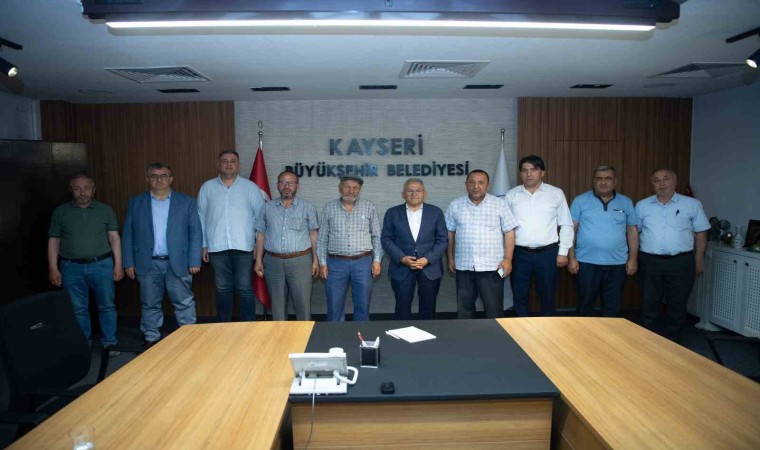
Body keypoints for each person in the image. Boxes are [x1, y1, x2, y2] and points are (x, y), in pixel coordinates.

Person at [122, 163, 202, 347]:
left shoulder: (187, 202)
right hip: (147, 263)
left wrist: (194, 260)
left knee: (184, 302)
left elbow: (195, 233)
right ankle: (151, 338)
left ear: (171, 179)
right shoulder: (136, 202)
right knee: (149, 303)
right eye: (154, 176)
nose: (159, 180)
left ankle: (189, 338)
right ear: (147, 180)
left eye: (164, 175)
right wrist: (128, 262)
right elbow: (128, 234)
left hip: (179, 261)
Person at [47, 173, 123, 352]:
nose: (82, 192)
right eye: (77, 188)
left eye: (87, 188)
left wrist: (118, 264)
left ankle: (110, 343)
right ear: (71, 190)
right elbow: (54, 240)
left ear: (94, 189)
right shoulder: (61, 212)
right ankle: (84, 345)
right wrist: (53, 268)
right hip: (70, 267)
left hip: (102, 265)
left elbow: (114, 238)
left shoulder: (105, 210)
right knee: (78, 309)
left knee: (107, 306)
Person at [636, 168, 709, 341]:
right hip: (650, 261)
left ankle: (673, 342)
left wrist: (699, 260)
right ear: (652, 184)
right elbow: (634, 232)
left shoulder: (692, 204)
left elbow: (701, 233)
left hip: (681, 262)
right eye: (657, 180)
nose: (661, 183)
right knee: (649, 302)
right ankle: (647, 342)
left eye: (666, 179)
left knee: (677, 303)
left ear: (674, 181)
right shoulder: (642, 205)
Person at [198, 151, 265, 322]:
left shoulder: (250, 187)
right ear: (218, 164)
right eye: (224, 161)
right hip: (216, 246)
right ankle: (223, 326)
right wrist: (204, 244)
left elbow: (260, 218)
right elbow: (201, 217)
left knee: (244, 287)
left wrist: (257, 245)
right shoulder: (207, 187)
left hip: (244, 246)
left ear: (238, 165)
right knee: (222, 288)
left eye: (233, 161)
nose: (229, 164)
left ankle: (248, 326)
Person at [505, 155, 573, 317]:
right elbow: (505, 228)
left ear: (542, 172)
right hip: (519, 254)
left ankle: (547, 329)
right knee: (519, 295)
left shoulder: (555, 193)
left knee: (548, 295)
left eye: (533, 170)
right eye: (524, 170)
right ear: (520, 173)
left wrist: (563, 252)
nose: (528, 174)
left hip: (548, 254)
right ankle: (520, 328)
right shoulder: (511, 195)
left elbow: (566, 224)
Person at [445, 170, 518, 319]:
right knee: (464, 309)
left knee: (494, 309)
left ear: (488, 185)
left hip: (492, 266)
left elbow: (509, 233)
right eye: (472, 182)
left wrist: (508, 259)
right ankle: (465, 333)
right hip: (464, 266)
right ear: (466, 185)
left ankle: (495, 333)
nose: (476, 186)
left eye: (480, 182)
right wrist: (450, 258)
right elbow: (450, 233)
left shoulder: (500, 204)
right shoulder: (455, 205)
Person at [568, 166, 639, 317]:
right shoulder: (580, 201)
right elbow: (571, 230)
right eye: (599, 178)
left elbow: (632, 231)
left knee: (612, 308)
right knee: (585, 307)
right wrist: (571, 258)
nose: (603, 182)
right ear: (594, 181)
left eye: (608, 178)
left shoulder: (626, 202)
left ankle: (610, 333)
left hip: (617, 263)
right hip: (586, 262)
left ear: (615, 181)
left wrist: (633, 259)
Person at [254, 171, 319, 321]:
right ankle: (280, 335)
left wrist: (315, 260)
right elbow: (261, 234)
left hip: (300, 261)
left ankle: (304, 334)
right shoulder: (267, 207)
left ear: (297, 186)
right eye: (283, 182)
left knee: (302, 304)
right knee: (277, 306)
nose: (286, 186)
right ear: (278, 185)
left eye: (290, 183)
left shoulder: (307, 207)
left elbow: (314, 234)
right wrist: (258, 260)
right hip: (273, 262)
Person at [317, 175, 383, 321]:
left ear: (360, 190)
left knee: (363, 303)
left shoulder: (368, 206)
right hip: (335, 263)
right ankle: (336, 333)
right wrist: (322, 263)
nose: (351, 191)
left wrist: (377, 260)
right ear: (340, 188)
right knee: (334, 304)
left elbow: (377, 236)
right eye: (347, 187)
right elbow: (322, 239)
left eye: (355, 188)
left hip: (363, 263)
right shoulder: (329, 207)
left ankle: (360, 332)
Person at [381, 178, 448, 320]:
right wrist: (402, 258)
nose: (414, 193)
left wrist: (427, 259)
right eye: (410, 190)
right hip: (402, 267)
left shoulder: (436, 212)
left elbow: (443, 240)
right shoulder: (392, 213)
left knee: (428, 307)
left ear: (425, 194)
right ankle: (402, 332)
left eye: (418, 190)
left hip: (430, 268)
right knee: (402, 307)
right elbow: (386, 239)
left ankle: (427, 332)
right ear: (403, 194)